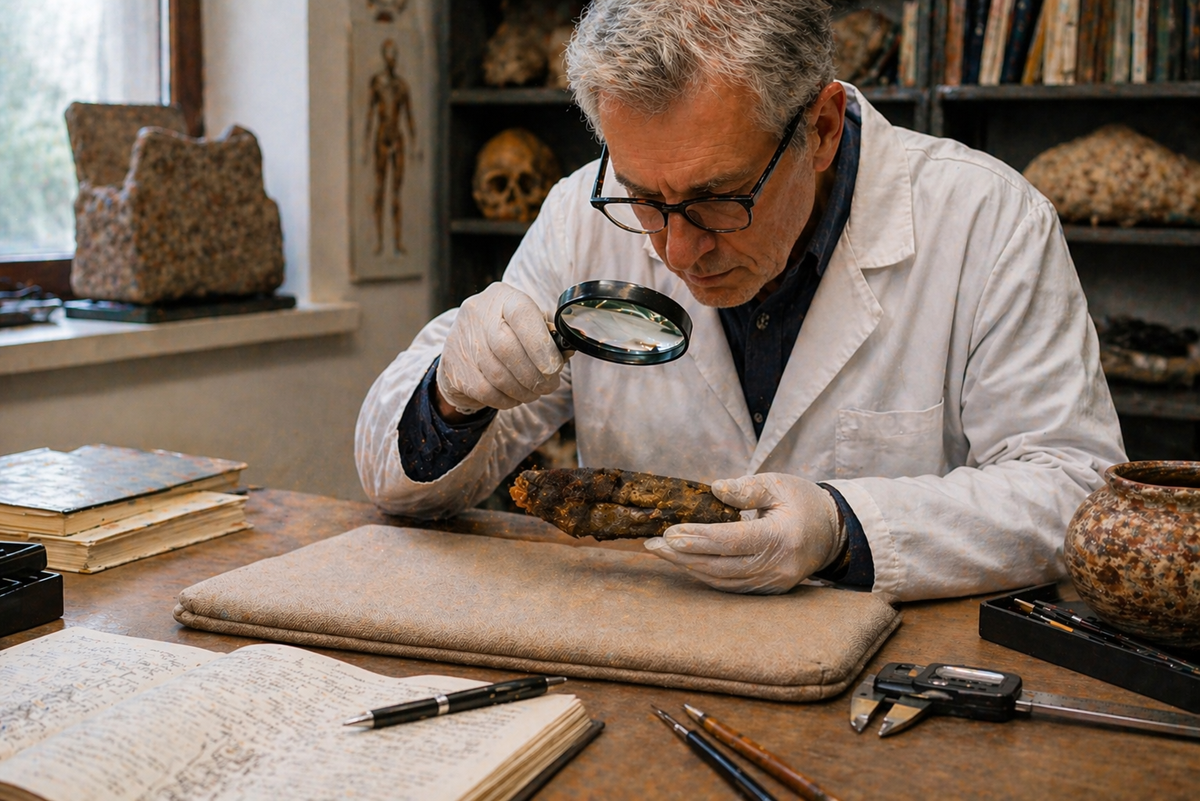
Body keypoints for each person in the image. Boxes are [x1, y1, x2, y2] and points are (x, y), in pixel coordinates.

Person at [355, 0, 1126, 602]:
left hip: (891, 683)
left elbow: (1074, 492)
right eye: (642, 197)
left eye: (718, 199)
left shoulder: (987, 222)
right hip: (639, 653)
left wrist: (844, 524)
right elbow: (397, 486)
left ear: (820, 129)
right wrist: (453, 397)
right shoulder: (579, 216)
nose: (676, 250)